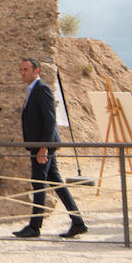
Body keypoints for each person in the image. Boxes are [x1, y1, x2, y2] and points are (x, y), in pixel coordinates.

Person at [13, 59, 87, 239]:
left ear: (36, 71)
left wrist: (44, 147)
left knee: (38, 183)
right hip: (38, 145)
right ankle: (78, 222)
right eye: (21, 69)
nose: (22, 72)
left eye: (26, 69)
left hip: (42, 146)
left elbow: (50, 119)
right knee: (56, 183)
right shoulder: (32, 90)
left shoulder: (42, 89)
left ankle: (34, 226)